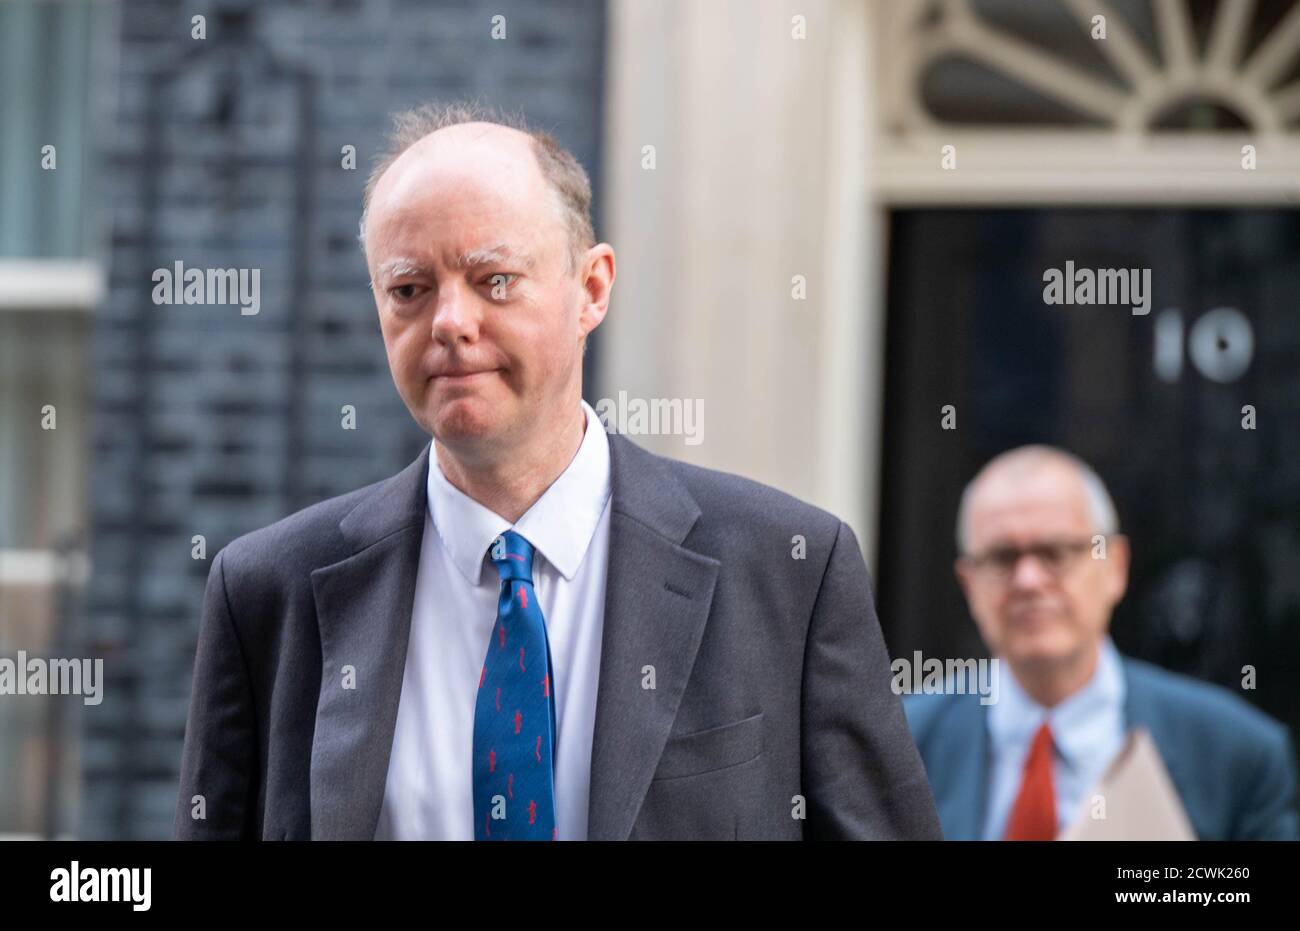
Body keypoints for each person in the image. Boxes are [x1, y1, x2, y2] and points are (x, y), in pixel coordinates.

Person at [174, 102, 940, 841]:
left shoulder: (787, 570)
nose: (449, 322)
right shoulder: (267, 593)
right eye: (410, 289)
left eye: (494, 279)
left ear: (592, 289)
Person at [904, 445, 1298, 840]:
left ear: (1115, 566)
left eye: (1055, 551)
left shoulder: (1234, 754)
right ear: (968, 583)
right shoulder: (901, 745)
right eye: (1002, 557)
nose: (1028, 581)